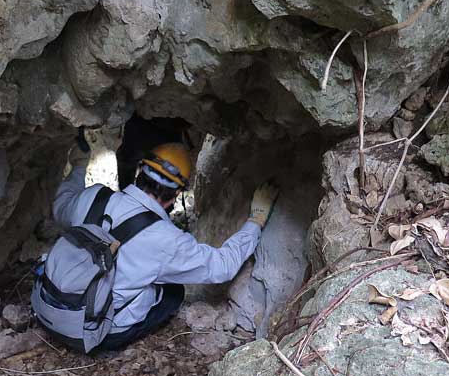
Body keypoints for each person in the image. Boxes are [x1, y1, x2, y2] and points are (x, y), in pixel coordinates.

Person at [45, 128, 278, 352]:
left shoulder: (93, 196)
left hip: (50, 304)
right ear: (175, 195)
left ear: (140, 173)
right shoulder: (166, 240)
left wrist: (79, 164)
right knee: (172, 293)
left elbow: (61, 205)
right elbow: (222, 267)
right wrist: (255, 220)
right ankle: (112, 338)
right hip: (92, 331)